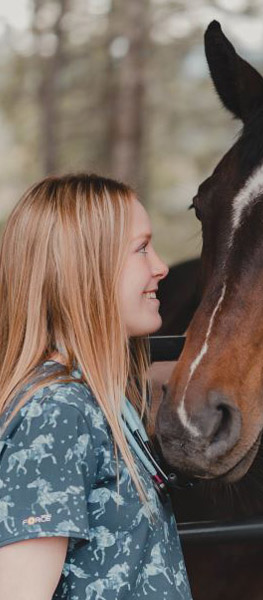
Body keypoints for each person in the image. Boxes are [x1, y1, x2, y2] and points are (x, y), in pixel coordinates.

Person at [0, 174, 193, 599]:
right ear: (86, 269)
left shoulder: (96, 396)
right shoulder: (57, 412)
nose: (161, 266)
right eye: (141, 248)